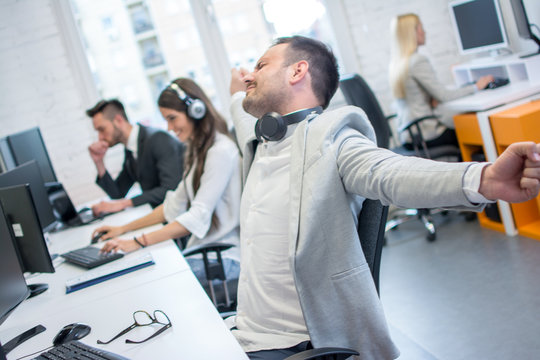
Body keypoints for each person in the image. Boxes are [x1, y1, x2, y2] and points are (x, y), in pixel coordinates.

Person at [228, 35, 540, 359]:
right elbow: (238, 108)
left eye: (261, 66)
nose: (251, 75)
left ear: (297, 71)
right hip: (240, 331)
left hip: (287, 346)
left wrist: (484, 178)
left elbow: (391, 172)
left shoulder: (332, 141)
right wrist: (236, 90)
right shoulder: (260, 139)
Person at [95, 78, 241, 289]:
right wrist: (123, 229)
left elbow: (197, 216)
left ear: (196, 111)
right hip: (205, 254)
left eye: (173, 118)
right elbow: (172, 207)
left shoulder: (220, 151)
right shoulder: (199, 151)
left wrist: (137, 242)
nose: (170, 128)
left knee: (150, 284)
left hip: (223, 258)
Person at [388, 13, 494, 150]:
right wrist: (477, 86)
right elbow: (443, 96)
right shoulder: (417, 61)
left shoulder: (397, 64)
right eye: (420, 27)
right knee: (473, 133)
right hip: (425, 135)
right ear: (411, 33)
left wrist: (430, 99)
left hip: (408, 135)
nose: (424, 31)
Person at [86, 98, 184, 215]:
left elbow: (171, 188)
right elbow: (118, 193)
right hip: (162, 214)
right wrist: (99, 162)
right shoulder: (131, 149)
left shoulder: (157, 138)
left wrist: (124, 203)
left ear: (118, 120)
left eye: (102, 129)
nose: (100, 137)